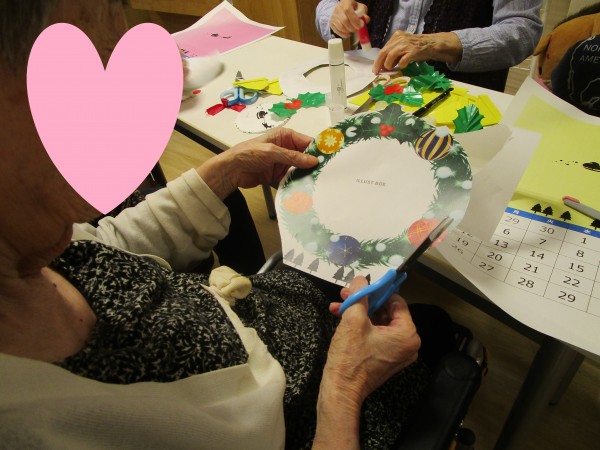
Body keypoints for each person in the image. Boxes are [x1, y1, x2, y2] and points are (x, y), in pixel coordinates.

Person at [0, 1, 452, 448]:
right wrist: (344, 387)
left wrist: (223, 173)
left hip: (255, 315)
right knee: (434, 329)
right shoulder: (28, 427)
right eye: (93, 75)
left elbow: (104, 248)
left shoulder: (35, 243)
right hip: (312, 415)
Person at [316, 0, 544, 92]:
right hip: (375, 87)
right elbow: (328, 4)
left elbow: (522, 29)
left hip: (458, 100)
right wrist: (337, 15)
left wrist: (440, 43)